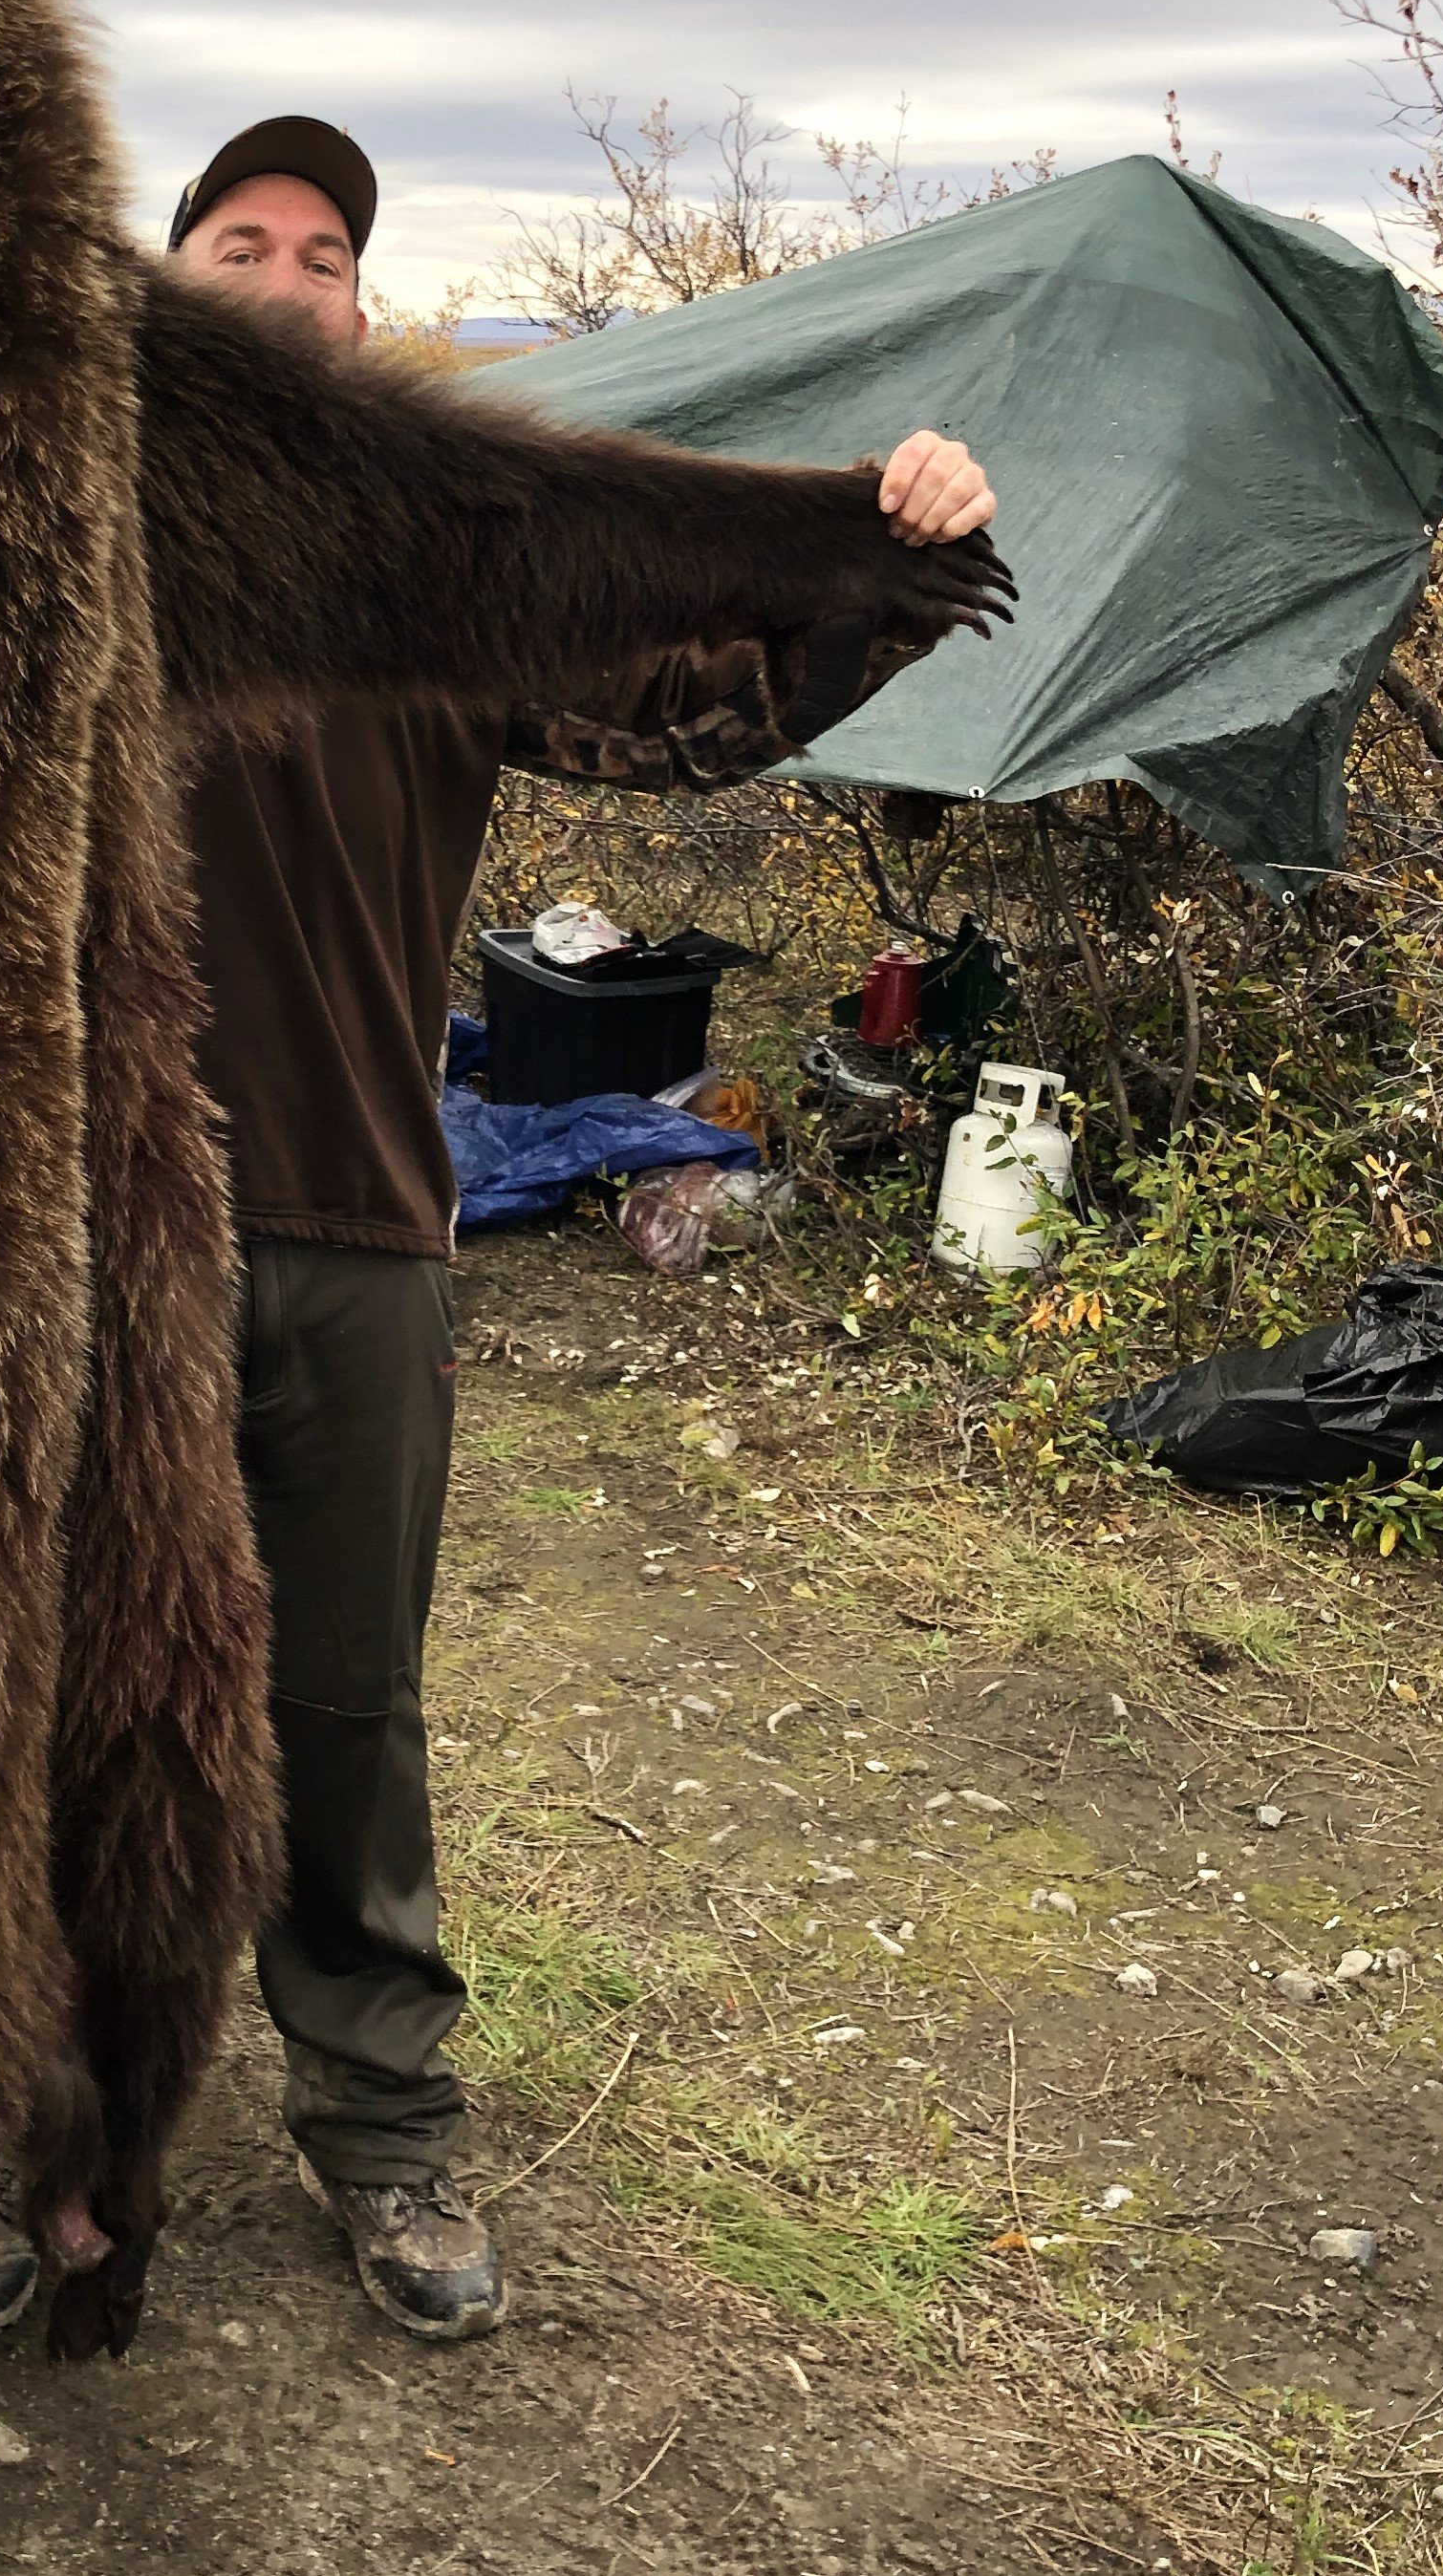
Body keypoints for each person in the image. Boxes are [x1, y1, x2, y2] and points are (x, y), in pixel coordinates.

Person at [163, 117, 998, 2342]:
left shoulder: (434, 566)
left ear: (363, 307)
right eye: (237, 241)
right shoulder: (64, 538)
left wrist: (881, 563)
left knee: (345, 1704)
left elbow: (679, 718)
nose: (285, 278)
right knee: (80, 1698)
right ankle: (39, 2127)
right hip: (91, 1226)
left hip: (360, 1211)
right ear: (156, 282)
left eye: (326, 252)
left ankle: (384, 2130)